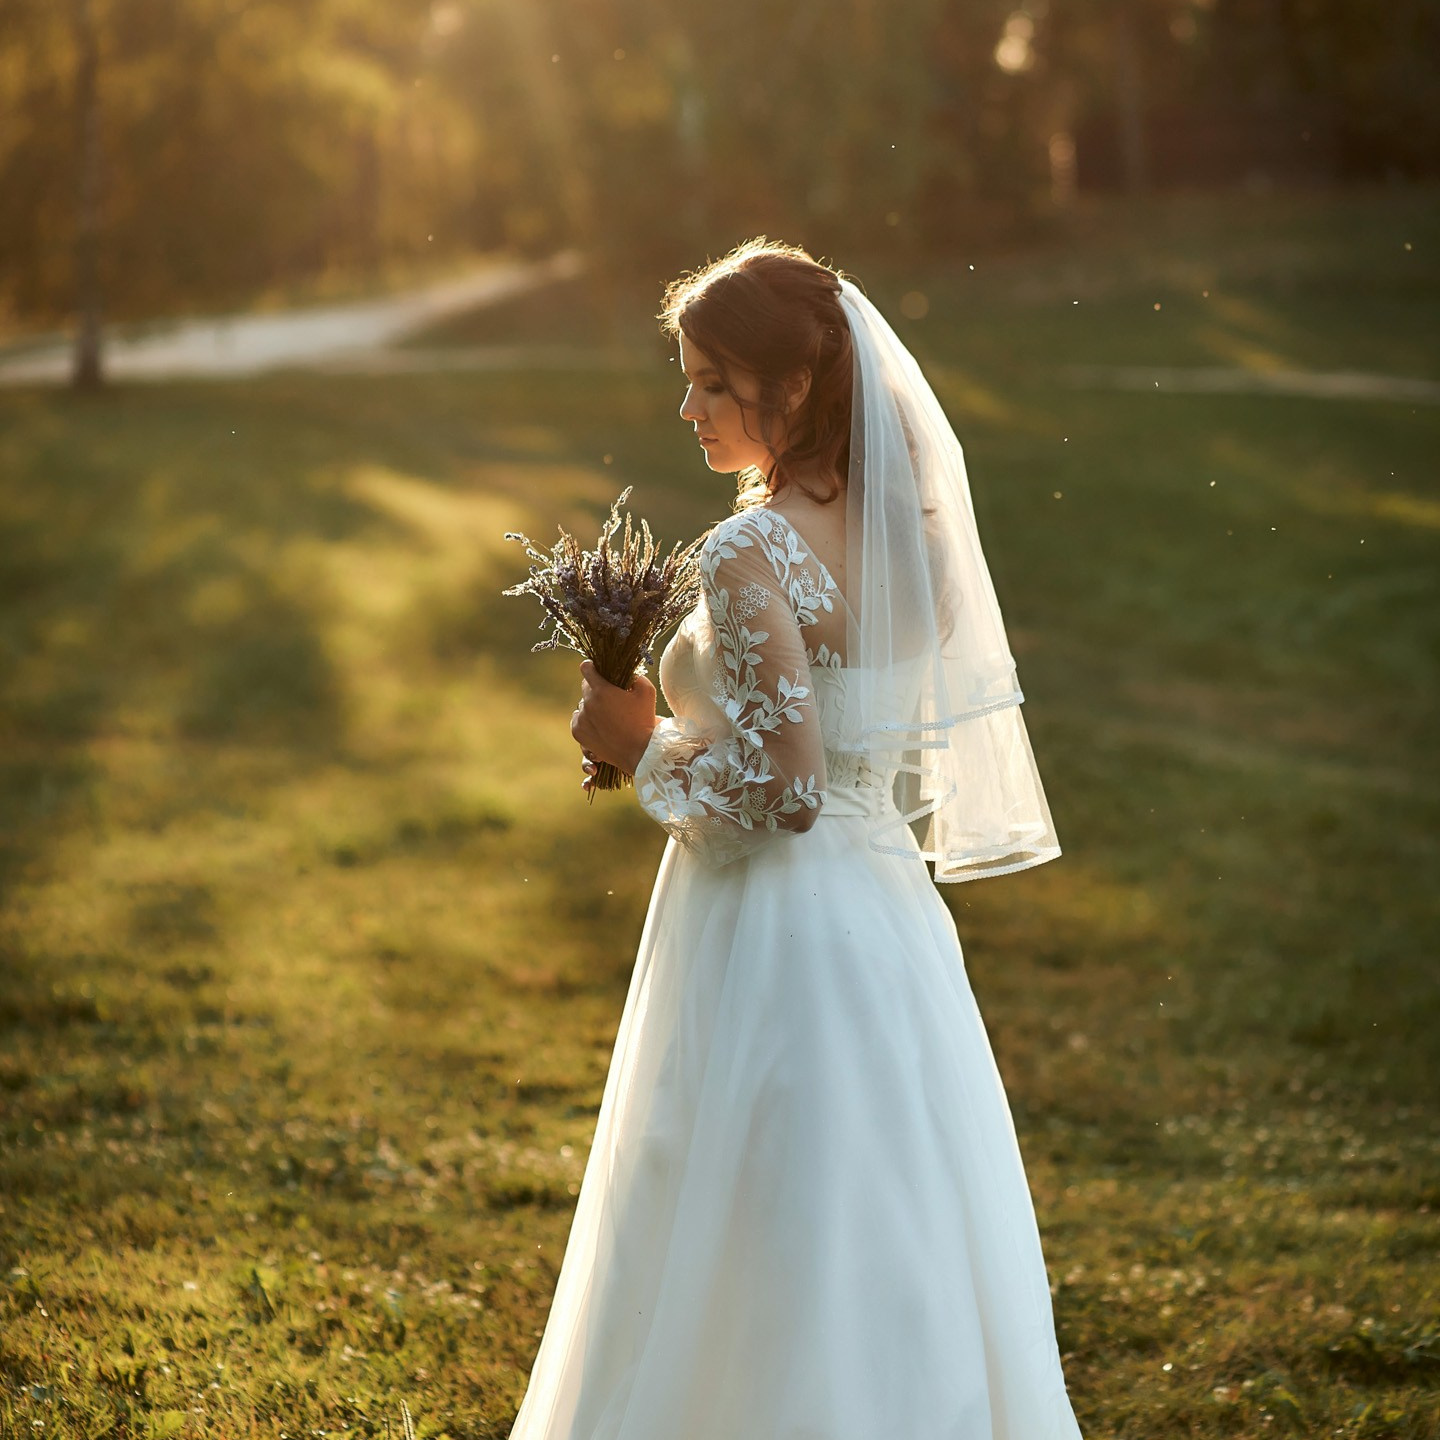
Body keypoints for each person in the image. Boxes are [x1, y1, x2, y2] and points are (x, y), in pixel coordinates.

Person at [507, 239, 1083, 1439]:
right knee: (889, 1220)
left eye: (715, 381)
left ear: (801, 384)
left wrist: (636, 743)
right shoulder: (918, 536)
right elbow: (855, 756)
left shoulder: (749, 548)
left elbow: (785, 791)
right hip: (891, 929)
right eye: (690, 378)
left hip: (771, 928)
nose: (689, 407)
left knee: (745, 1210)